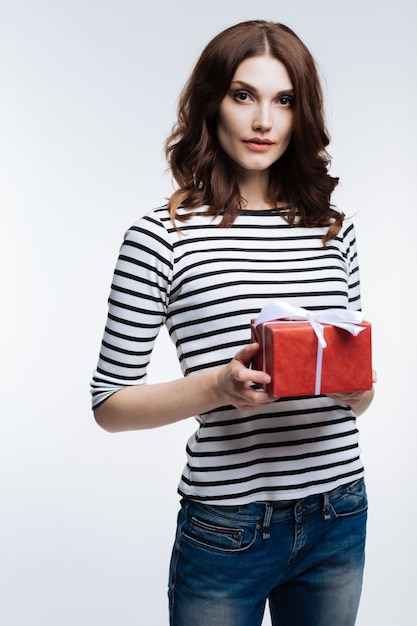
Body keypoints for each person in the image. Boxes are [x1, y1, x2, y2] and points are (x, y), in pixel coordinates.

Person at [91, 20, 375, 626]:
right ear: (211, 103)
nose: (263, 121)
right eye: (244, 95)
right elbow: (108, 405)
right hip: (228, 526)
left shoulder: (333, 228)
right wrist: (218, 387)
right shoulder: (159, 236)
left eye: (284, 100)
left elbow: (355, 399)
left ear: (303, 114)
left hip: (339, 512)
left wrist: (359, 388)